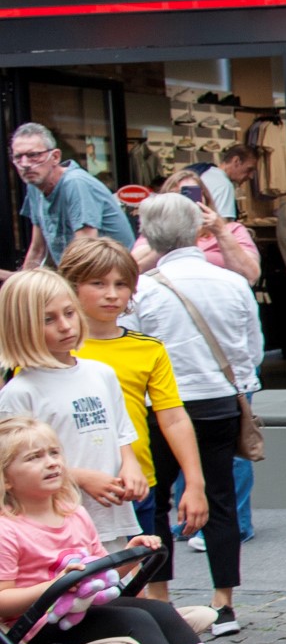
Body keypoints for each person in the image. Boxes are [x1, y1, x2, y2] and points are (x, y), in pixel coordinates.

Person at [0, 416, 275, 644]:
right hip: (42, 630)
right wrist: (55, 585)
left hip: (84, 612)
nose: (51, 463)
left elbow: (98, 574)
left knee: (159, 609)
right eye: (34, 458)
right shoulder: (9, 530)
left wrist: (130, 557)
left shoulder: (73, 513)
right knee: (137, 622)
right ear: (6, 479)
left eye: (54, 453)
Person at [125, 194, 261, 635]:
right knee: (220, 498)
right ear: (198, 230)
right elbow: (251, 349)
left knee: (155, 502)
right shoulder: (230, 282)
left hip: (160, 406)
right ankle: (224, 603)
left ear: (148, 235)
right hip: (220, 401)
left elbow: (135, 350)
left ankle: (160, 599)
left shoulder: (144, 288)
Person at [58, 239, 209, 603]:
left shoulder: (147, 348)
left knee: (148, 584)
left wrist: (194, 481)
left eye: (121, 284)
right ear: (72, 285)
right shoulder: (53, 351)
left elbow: (172, 417)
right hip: (66, 489)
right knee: (79, 587)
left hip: (136, 483)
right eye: (98, 283)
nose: (112, 295)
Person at [0, 270, 144, 547]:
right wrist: (81, 477)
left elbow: (121, 432)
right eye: (48, 320)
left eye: (69, 313)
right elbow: (13, 468)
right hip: (55, 527)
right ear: (20, 327)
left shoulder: (102, 373)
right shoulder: (19, 394)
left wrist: (130, 465)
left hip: (111, 513)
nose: (66, 326)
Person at [11, 123, 135, 271]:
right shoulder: (34, 186)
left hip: (110, 276)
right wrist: (23, 289)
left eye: (33, 155)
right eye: (18, 157)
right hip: (79, 275)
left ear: (55, 157)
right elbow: (37, 250)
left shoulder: (75, 183)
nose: (25, 164)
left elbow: (86, 252)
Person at [132, 167, 261, 284]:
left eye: (191, 194)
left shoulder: (232, 230)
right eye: (176, 195)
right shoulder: (154, 233)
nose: (184, 202)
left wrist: (221, 232)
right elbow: (134, 270)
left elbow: (250, 276)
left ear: (205, 197)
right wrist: (169, 235)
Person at [195, 144, 258, 219]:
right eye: (249, 169)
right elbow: (224, 226)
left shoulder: (205, 173)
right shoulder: (225, 185)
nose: (251, 176)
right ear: (236, 161)